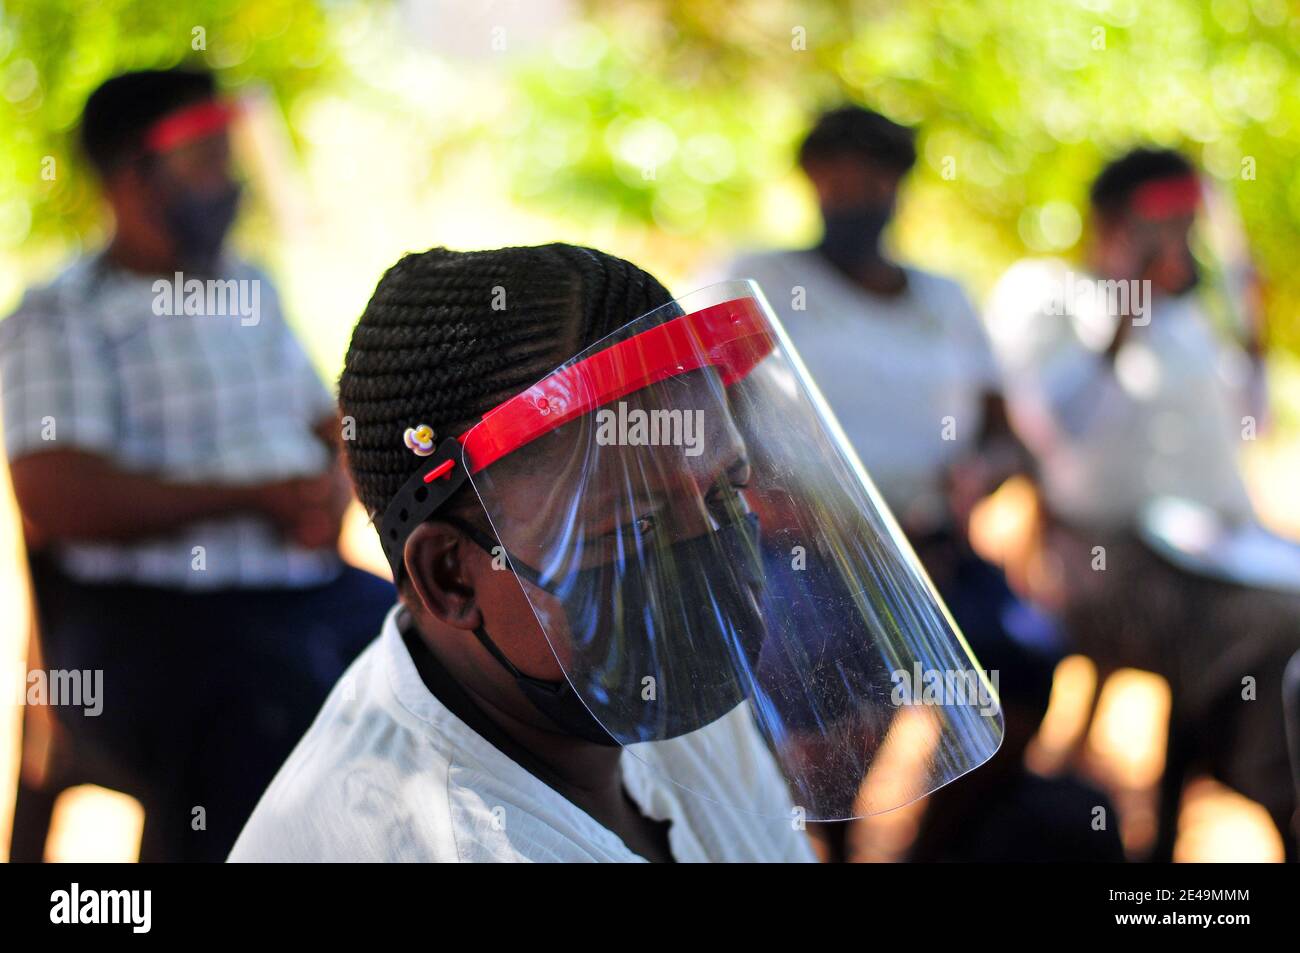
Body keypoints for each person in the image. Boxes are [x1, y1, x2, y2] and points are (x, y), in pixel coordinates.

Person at [229, 244, 1004, 862]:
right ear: (450, 574)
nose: (704, 564)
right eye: (632, 530)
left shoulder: (650, 679)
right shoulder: (450, 839)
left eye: (724, 491)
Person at [0, 68, 393, 861]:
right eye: (206, 161)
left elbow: (329, 424)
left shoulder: (249, 286)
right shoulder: (60, 314)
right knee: (264, 719)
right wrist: (254, 499)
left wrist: (333, 491)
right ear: (130, 179)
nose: (230, 181)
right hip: (141, 618)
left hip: (299, 591)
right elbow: (56, 495)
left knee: (444, 661)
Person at [711, 104, 1042, 860]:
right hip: (800, 549)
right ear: (810, 182)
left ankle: (925, 847)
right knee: (829, 696)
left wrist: (981, 474)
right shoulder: (756, 277)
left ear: (901, 185)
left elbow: (1004, 433)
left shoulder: (944, 297)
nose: (856, 193)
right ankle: (835, 840)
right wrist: (755, 489)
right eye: (838, 178)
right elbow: (698, 406)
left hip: (933, 544)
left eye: (875, 178)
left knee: (1021, 670)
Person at [985, 147, 1299, 858]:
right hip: (1103, 557)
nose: (1180, 244)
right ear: (1109, 222)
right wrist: (1124, 319)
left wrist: (1250, 331)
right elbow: (1053, 428)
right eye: (1161, 225)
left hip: (1221, 552)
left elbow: (1254, 425)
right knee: (1275, 631)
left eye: (1190, 226)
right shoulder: (1049, 296)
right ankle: (1274, 793)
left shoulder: (1193, 321)